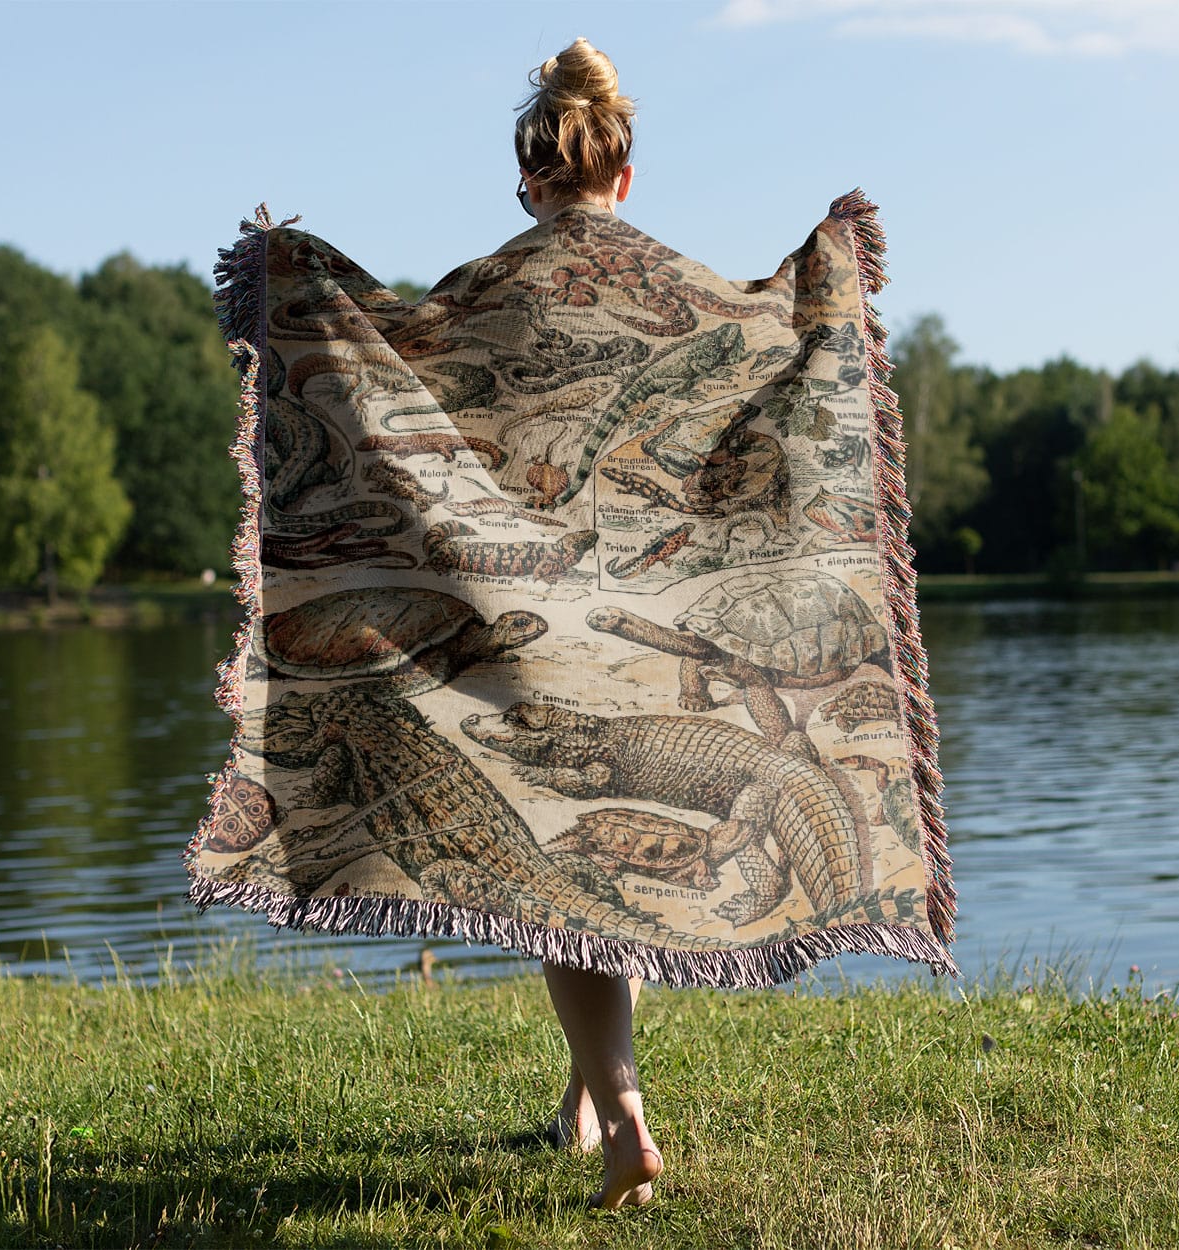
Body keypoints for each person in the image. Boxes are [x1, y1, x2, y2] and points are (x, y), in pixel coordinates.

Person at [511, 37, 662, 1212]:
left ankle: (622, 1118)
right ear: (622, 173)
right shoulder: (674, 291)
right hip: (651, 617)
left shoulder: (487, 293)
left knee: (560, 879)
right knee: (607, 868)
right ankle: (579, 1099)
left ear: (528, 183)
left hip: (535, 621)